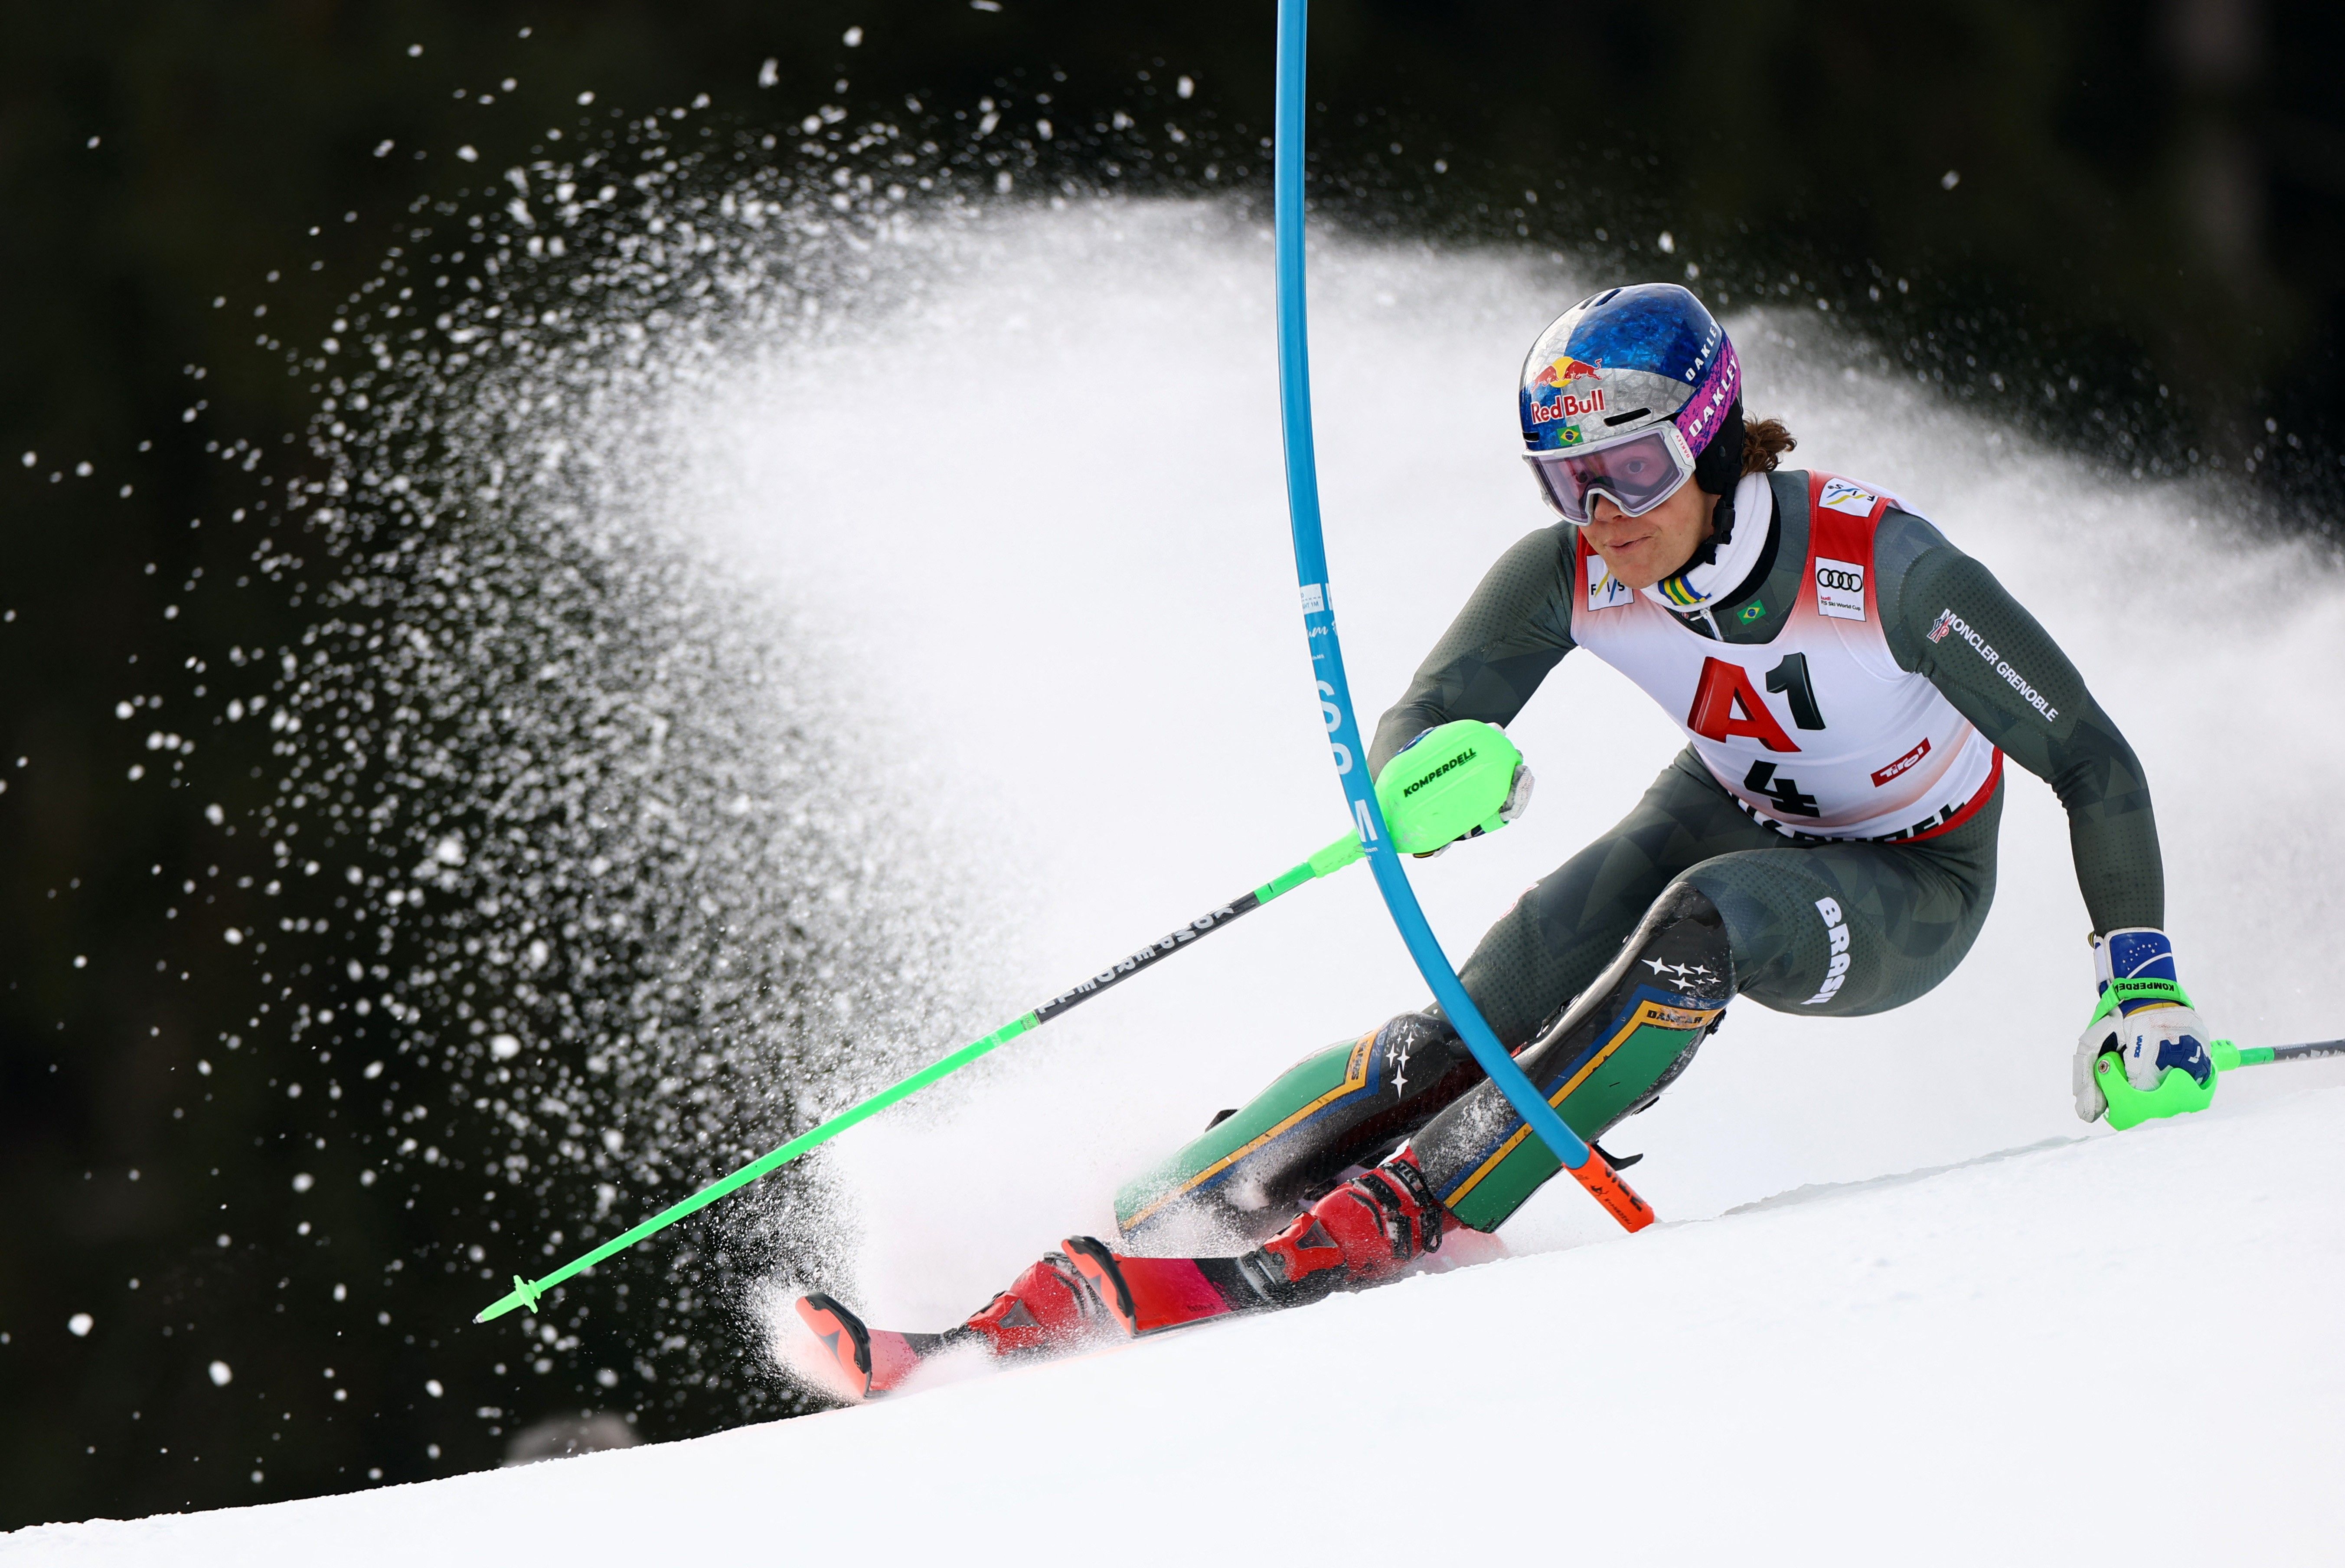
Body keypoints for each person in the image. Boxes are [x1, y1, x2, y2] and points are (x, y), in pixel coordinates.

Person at [797, 284, 2218, 1393]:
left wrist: (2140, 980)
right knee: (1453, 1036)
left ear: (1717, 442)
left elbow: (2090, 755)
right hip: (1725, 800)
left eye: (1637, 470)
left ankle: (1382, 1223)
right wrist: (1421, 772)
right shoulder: (1573, 569)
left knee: (1703, 928)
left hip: (1913, 874)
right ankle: (1150, 1220)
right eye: (1565, 480)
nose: (1603, 517)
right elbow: (1427, 711)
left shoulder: (1886, 573)